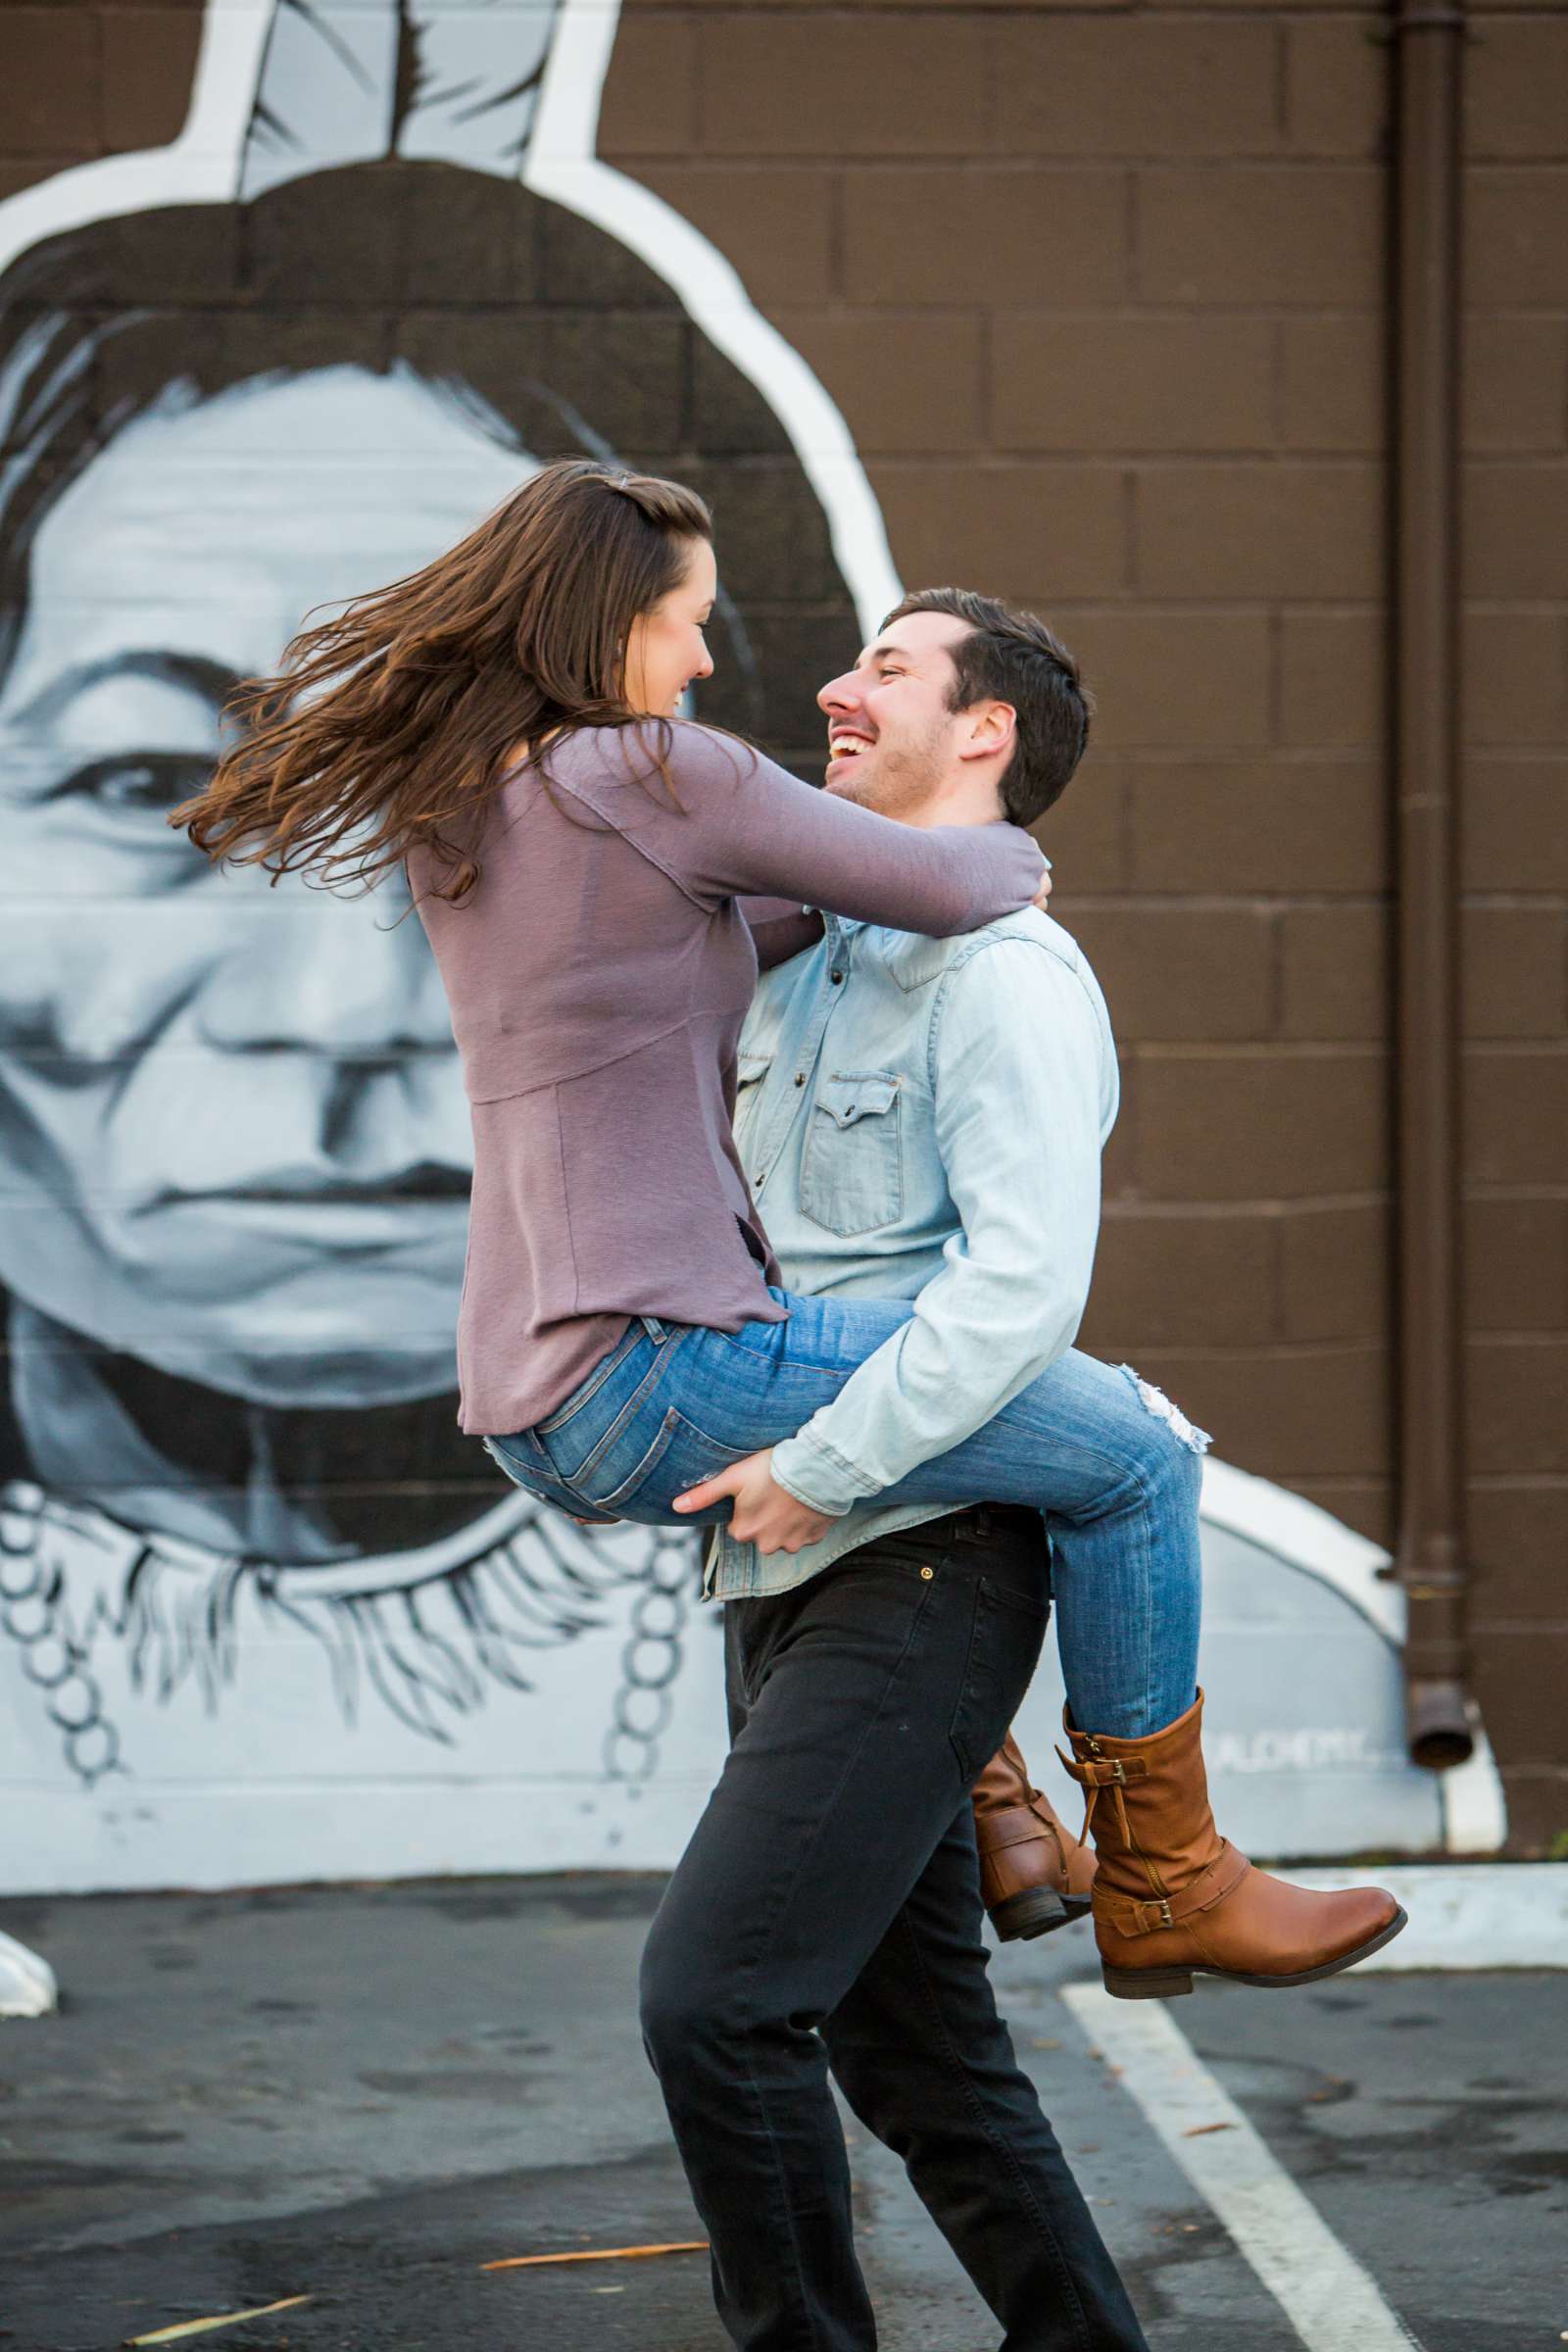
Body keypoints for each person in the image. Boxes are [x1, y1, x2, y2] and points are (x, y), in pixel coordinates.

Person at [177, 458, 1404, 2350]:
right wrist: (921, 870)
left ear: (981, 726)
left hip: (812, 1494)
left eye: (882, 668)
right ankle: (1100, 1853)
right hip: (732, 1462)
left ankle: (1105, 1854)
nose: (744, 667)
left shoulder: (585, 825)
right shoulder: (702, 839)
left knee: (862, 2028)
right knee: (924, 2023)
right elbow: (919, 894)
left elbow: (981, 1235)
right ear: (610, 623)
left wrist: (823, 1462)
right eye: (691, 617)